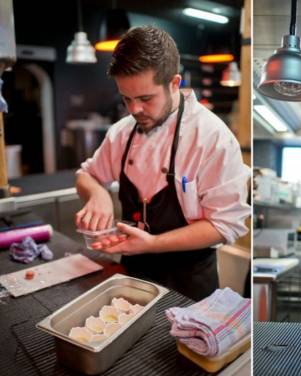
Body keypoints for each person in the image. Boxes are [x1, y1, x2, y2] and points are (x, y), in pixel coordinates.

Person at [75, 26, 250, 300]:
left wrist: (153, 244)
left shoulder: (213, 139)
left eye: (145, 98)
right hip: (130, 275)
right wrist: (97, 193)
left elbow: (223, 226)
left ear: (174, 83)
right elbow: (86, 175)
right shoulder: (122, 132)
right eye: (126, 98)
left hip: (189, 286)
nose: (134, 110)